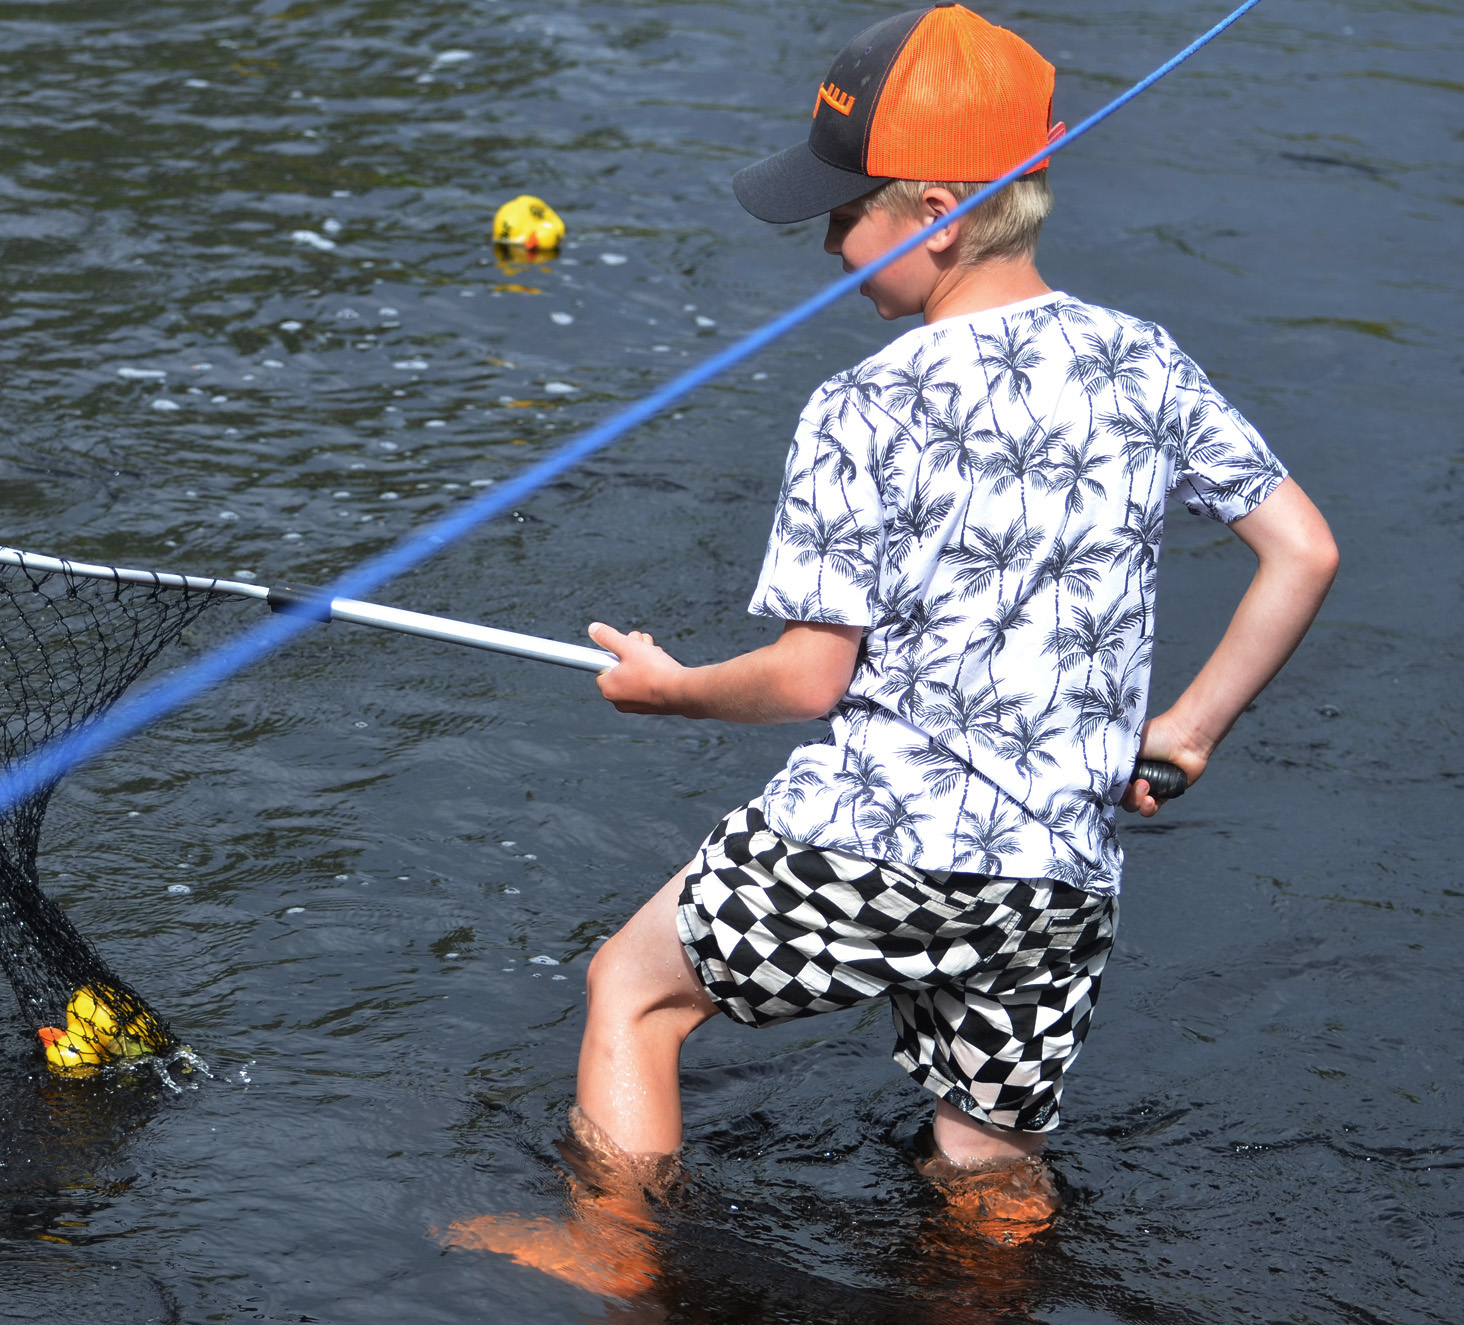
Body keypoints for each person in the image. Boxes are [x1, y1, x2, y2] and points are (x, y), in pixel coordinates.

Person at [449, 2, 1339, 1297]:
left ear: (933, 203)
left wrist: (671, 688)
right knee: (986, 1153)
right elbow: (1303, 548)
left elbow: (812, 676)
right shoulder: (1142, 359)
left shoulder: (863, 403)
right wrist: (1187, 729)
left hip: (883, 837)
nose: (827, 243)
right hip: (1060, 870)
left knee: (634, 991)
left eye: (841, 214)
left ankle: (611, 1256)